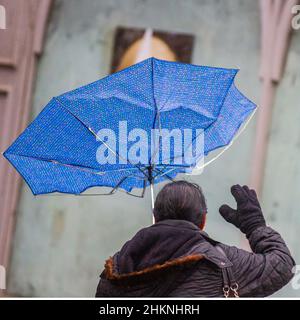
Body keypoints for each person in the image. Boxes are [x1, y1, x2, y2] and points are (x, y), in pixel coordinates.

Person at [96, 181, 295, 297]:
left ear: (155, 216)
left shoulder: (115, 270)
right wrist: (254, 225)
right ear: (203, 220)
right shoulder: (219, 262)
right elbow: (283, 265)